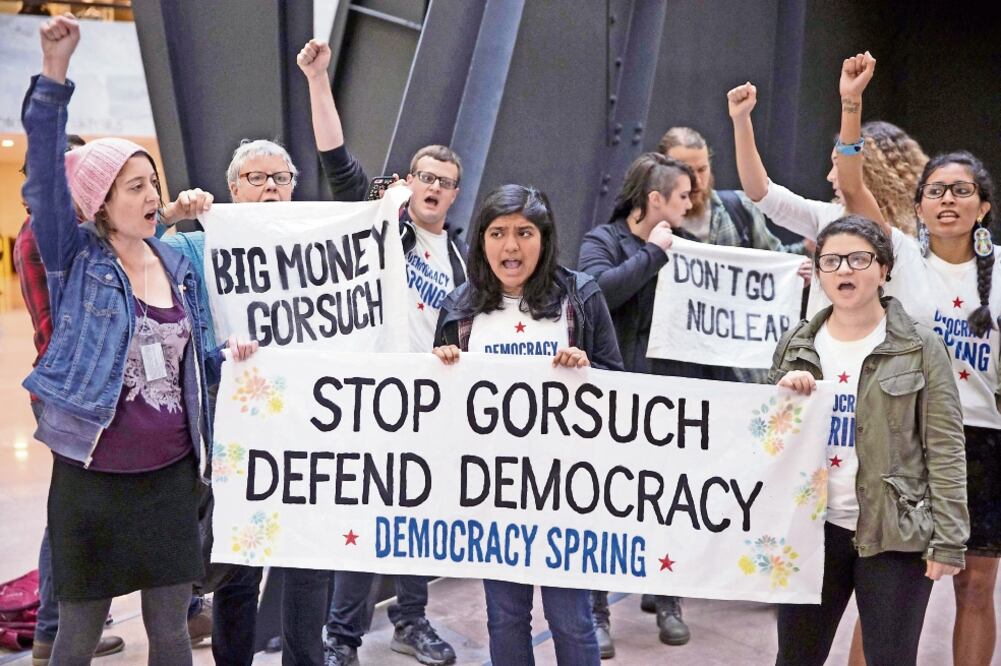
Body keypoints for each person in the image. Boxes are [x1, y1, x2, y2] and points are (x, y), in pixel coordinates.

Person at [21, 14, 256, 665]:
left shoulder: (177, 261)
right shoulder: (76, 259)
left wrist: (228, 359)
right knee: (76, 634)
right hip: (94, 481)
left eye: (153, 182)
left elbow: (189, 361)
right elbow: (43, 178)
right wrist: (53, 74)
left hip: (171, 480)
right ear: (100, 203)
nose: (153, 194)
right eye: (136, 187)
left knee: (173, 631)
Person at [297, 38, 462, 666]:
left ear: (452, 195)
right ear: (409, 182)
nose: (434, 189)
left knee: (417, 519)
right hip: (374, 398)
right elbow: (337, 159)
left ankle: (411, 622)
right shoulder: (380, 223)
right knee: (365, 523)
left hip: (431, 401)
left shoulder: (461, 256)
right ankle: (341, 639)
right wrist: (318, 81)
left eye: (445, 184)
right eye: (425, 177)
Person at [835, 51, 1000, 666]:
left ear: (982, 206)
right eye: (936, 191)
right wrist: (852, 104)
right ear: (921, 202)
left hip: (983, 443)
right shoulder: (900, 256)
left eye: (963, 191)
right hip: (907, 443)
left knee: (976, 587)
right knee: (891, 595)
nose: (948, 200)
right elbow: (851, 186)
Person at [433, 184, 621, 665]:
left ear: (546, 238)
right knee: (505, 616)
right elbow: (437, 409)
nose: (510, 246)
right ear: (481, 240)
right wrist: (441, 368)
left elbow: (621, 388)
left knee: (573, 620)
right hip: (495, 493)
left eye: (524, 232)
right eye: (497, 233)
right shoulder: (459, 306)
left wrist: (588, 373)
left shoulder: (580, 295)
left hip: (567, 493)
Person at [769, 215, 968, 666]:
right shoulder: (796, 344)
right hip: (811, 532)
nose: (845, 270)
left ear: (883, 270)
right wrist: (785, 397)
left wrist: (949, 541)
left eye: (859, 259)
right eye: (832, 260)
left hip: (894, 532)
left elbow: (946, 447)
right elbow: (766, 441)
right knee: (795, 657)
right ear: (818, 271)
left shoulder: (920, 347)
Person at [576, 153, 697, 654]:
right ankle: (597, 611)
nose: (691, 205)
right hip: (612, 395)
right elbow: (596, 295)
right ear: (655, 200)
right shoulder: (602, 242)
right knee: (605, 502)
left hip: (667, 397)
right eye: (683, 196)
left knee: (664, 501)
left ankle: (667, 600)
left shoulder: (690, 248)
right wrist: (652, 254)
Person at [725, 79, 928, 317]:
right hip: (824, 351)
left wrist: (851, 100)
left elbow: (853, 189)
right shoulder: (828, 217)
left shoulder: (905, 240)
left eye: (838, 166)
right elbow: (761, 192)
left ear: (869, 173)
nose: (831, 177)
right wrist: (741, 120)